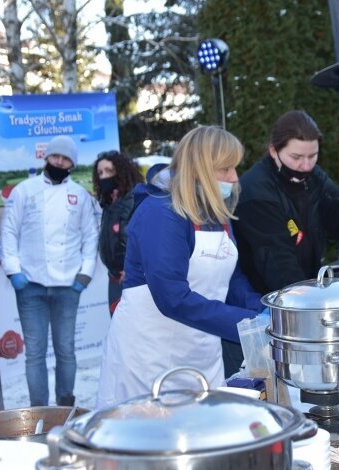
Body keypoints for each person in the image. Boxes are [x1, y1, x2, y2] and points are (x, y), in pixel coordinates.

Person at [97, 126, 264, 406]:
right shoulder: (161, 213)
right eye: (225, 169)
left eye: (234, 168)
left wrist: (265, 309)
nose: (234, 178)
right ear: (199, 169)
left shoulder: (216, 213)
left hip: (200, 351)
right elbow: (172, 297)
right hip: (148, 356)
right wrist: (248, 325)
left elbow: (230, 280)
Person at [2, 135, 98, 407]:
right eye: (56, 156)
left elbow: (90, 236)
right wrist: (13, 271)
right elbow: (9, 232)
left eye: (66, 158)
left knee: (66, 349)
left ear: (72, 164)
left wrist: (85, 274)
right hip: (30, 285)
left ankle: (65, 406)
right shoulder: (25, 190)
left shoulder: (79, 195)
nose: (60, 161)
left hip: (68, 286)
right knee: (34, 352)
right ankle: (39, 410)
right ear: (47, 158)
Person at [233, 109, 339, 295]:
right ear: (273, 151)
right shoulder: (256, 192)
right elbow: (276, 259)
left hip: (306, 285)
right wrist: (306, 302)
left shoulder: (314, 178)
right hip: (265, 299)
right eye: (296, 158)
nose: (306, 166)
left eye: (313, 156)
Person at [92, 150, 143, 315]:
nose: (104, 176)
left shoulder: (136, 200)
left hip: (133, 280)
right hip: (114, 279)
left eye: (109, 171)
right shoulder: (108, 204)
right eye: (100, 173)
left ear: (121, 172)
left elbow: (145, 240)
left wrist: (134, 269)